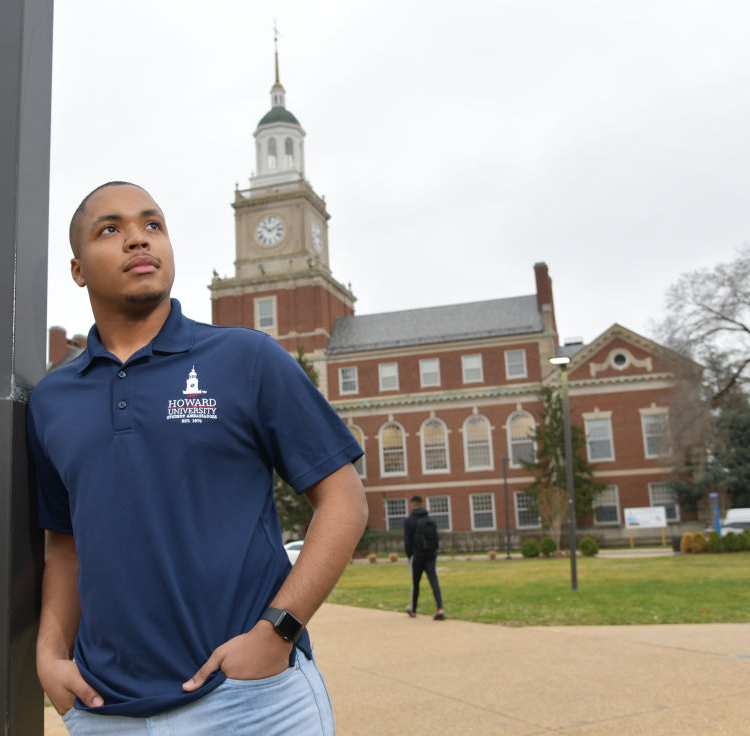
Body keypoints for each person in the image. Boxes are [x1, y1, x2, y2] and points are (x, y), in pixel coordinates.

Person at [28, 181, 368, 735]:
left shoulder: (247, 358)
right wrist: (50, 654)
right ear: (77, 269)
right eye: (110, 229)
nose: (138, 240)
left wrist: (276, 633)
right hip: (105, 713)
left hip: (252, 703)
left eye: (152, 225)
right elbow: (65, 544)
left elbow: (344, 498)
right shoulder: (51, 401)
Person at [403, 495, 444, 620]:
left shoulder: (409, 521)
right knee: (434, 581)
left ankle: (413, 609)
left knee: (415, 583)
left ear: (413, 505)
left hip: (417, 556)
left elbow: (407, 541)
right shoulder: (430, 519)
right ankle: (440, 608)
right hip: (431, 555)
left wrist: (410, 555)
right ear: (422, 504)